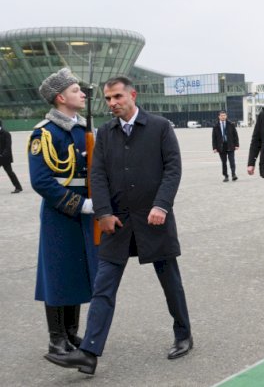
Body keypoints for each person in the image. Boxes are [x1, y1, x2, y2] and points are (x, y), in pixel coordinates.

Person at [46, 76, 193, 375]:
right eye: (108, 98)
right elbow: (97, 175)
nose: (112, 103)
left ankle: (183, 335)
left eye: (117, 97)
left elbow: (173, 169)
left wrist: (161, 205)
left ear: (132, 95)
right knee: (103, 288)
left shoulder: (160, 127)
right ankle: (89, 353)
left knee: (171, 283)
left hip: (154, 220)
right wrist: (102, 213)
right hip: (117, 223)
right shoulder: (106, 133)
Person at [29, 69, 98, 361]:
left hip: (86, 212)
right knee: (58, 274)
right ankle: (56, 339)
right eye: (75, 90)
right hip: (61, 213)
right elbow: (41, 181)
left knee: (78, 272)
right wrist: (79, 204)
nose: (82, 94)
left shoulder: (84, 130)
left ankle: (71, 332)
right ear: (60, 97)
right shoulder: (45, 133)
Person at [212, 110, 239, 182]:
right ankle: (226, 176)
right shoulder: (216, 126)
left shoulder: (231, 124)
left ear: (226, 116)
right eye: (221, 116)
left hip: (230, 145)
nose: (223, 117)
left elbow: (235, 135)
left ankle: (233, 174)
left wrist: (236, 145)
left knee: (232, 161)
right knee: (224, 162)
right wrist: (214, 148)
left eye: (224, 115)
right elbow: (214, 138)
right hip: (221, 146)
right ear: (219, 117)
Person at [0, 119, 23, 193]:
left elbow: (8, 146)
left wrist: (2, 155)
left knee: (10, 173)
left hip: (5, 158)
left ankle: (18, 187)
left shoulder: (6, 133)